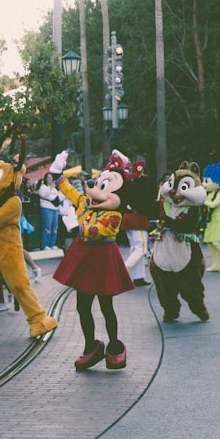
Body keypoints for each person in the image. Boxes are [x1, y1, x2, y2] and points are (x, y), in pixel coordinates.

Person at [49, 150, 150, 370]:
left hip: (103, 259)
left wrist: (80, 227)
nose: (96, 190)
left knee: (106, 306)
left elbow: (101, 230)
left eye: (104, 187)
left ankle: (114, 346)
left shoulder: (115, 214)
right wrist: (57, 174)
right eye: (97, 185)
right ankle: (90, 347)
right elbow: (69, 192)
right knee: (82, 305)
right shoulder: (86, 203)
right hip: (85, 258)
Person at [36, 174, 60, 250]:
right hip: (46, 208)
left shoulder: (55, 189)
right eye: (48, 177)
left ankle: (52, 243)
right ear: (45, 179)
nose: (50, 179)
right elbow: (43, 194)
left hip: (55, 209)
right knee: (47, 226)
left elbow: (58, 197)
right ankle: (45, 244)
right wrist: (50, 188)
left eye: (51, 177)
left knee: (55, 227)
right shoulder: (43, 187)